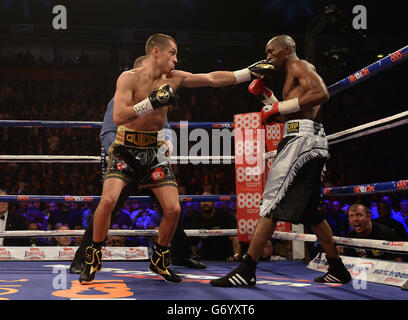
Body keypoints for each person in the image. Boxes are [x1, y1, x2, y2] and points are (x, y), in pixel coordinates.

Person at [79, 33, 267, 284]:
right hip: (126, 147)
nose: (176, 59)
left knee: (173, 208)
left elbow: (211, 79)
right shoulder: (128, 78)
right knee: (108, 201)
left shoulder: (175, 78)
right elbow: (118, 117)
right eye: (173, 53)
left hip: (155, 152)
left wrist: (247, 73)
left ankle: (159, 259)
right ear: (156, 52)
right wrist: (151, 102)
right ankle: (93, 257)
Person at [211, 35, 351, 287]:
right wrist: (268, 99)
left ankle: (247, 269)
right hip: (304, 138)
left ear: (287, 49)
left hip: (302, 142)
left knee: (270, 202)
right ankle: (338, 268)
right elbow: (290, 113)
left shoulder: (300, 66)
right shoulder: (290, 75)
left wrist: (277, 109)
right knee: (313, 213)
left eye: (271, 52)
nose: (268, 57)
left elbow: (322, 94)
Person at [338, 204, 403, 261]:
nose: (355, 219)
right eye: (351, 216)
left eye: (359, 215)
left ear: (369, 217)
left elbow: (398, 260)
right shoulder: (349, 238)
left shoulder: (387, 234)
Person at [188, 192, 242, 261]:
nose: (205, 203)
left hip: (227, 257)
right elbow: (193, 244)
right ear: (199, 203)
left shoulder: (225, 216)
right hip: (208, 259)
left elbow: (235, 237)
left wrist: (236, 256)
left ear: (214, 202)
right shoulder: (195, 219)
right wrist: (192, 258)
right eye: (203, 201)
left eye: (208, 200)